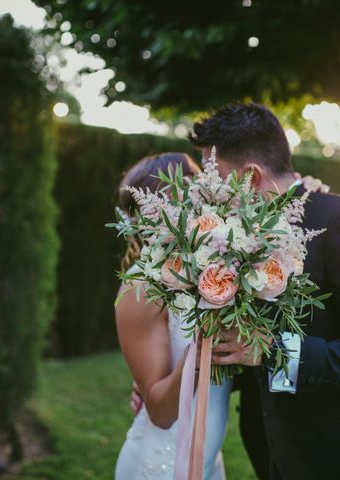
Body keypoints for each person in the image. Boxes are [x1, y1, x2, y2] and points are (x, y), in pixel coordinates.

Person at [190, 102, 340, 479]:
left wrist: (271, 350)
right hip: (275, 460)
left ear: (249, 177)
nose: (209, 193)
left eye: (216, 180)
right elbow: (251, 357)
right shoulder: (240, 240)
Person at [114, 152, 234, 480]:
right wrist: (196, 353)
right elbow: (161, 412)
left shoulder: (219, 273)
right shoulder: (140, 285)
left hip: (209, 461)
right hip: (161, 466)